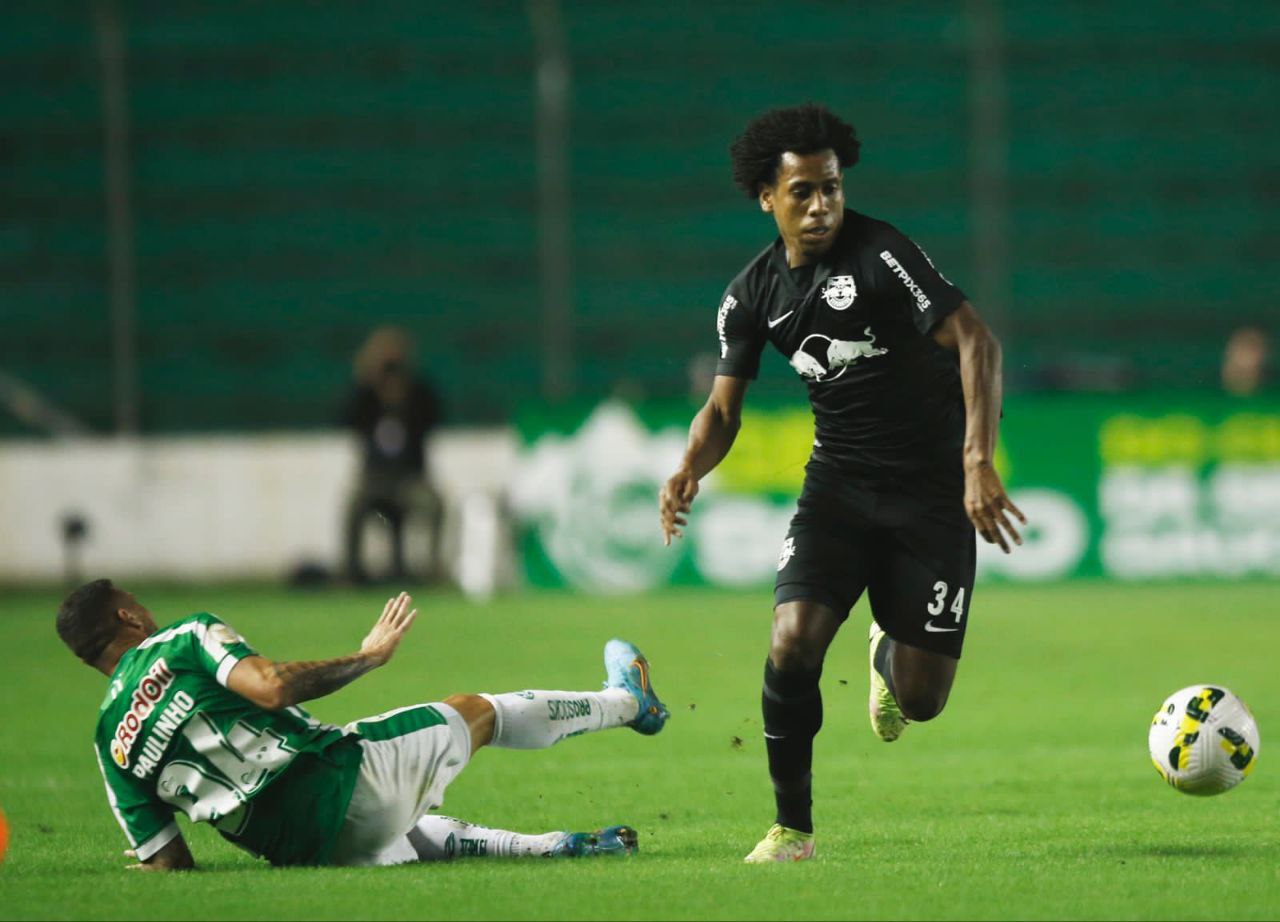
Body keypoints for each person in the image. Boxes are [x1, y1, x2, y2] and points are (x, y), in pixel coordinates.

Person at [658, 104, 1025, 863]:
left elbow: (978, 342)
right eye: (803, 192)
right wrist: (689, 468)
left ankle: (888, 656)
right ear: (768, 197)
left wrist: (975, 459)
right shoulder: (749, 295)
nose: (822, 204)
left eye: (831, 187)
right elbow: (723, 409)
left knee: (922, 701)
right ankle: (792, 829)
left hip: (930, 492)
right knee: (791, 644)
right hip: (839, 487)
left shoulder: (883, 254)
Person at [56, 578, 669, 869]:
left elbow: (167, 865)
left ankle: (557, 847)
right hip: (337, 780)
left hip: (298, 852)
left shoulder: (109, 743)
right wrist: (368, 657)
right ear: (127, 613)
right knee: (478, 712)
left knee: (404, 832)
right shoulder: (183, 639)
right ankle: (627, 704)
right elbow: (268, 687)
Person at [342, 326, 445, 584]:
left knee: (435, 504)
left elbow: (435, 417)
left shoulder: (419, 392)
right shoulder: (365, 396)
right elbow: (345, 419)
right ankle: (353, 574)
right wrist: (367, 378)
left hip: (410, 478)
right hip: (375, 479)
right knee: (354, 507)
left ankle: (430, 569)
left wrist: (403, 396)